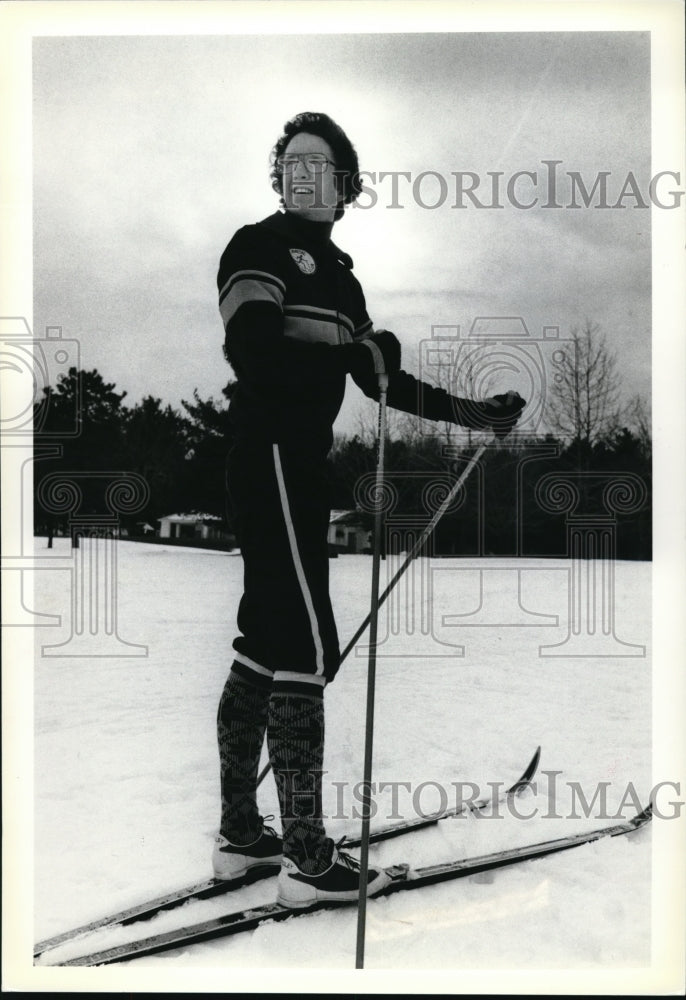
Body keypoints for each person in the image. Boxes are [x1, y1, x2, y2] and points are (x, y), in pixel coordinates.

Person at [213, 111, 525, 909]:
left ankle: (243, 838)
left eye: (324, 166)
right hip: (272, 455)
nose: (306, 176)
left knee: (263, 643)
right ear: (279, 179)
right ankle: (308, 860)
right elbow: (253, 352)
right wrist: (352, 354)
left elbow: (382, 379)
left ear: (348, 187)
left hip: (296, 469)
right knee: (305, 648)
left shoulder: (343, 283)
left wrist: (476, 415)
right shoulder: (257, 247)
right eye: (293, 164)